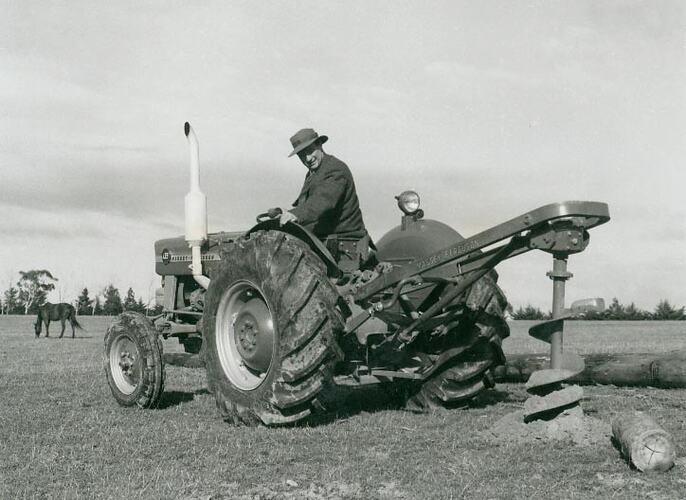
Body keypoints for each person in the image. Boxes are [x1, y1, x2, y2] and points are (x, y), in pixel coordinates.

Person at [271, 128, 370, 270]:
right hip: (326, 242)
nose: (307, 159)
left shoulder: (335, 169)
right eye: (302, 155)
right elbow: (307, 203)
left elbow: (322, 201)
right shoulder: (313, 173)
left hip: (344, 246)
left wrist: (295, 214)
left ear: (319, 145)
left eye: (310, 151)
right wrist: (287, 212)